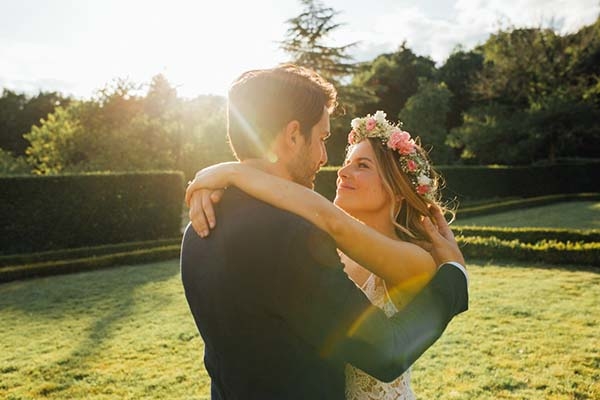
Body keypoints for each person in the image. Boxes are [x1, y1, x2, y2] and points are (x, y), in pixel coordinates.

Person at [180, 64, 468, 400]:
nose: (325, 158)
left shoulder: (198, 226)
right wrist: (455, 280)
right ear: (292, 135)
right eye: (322, 138)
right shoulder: (294, 238)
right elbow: (386, 353)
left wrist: (230, 172)